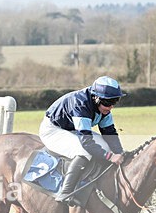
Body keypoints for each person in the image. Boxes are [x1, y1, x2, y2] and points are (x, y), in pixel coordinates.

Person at [39, 76, 126, 204]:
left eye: (115, 101)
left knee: (106, 146)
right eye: (108, 102)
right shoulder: (81, 104)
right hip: (53, 130)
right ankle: (65, 192)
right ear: (96, 98)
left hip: (72, 128)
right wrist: (110, 157)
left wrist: (120, 153)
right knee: (84, 151)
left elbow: (109, 133)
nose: (111, 107)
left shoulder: (103, 108)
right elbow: (86, 143)